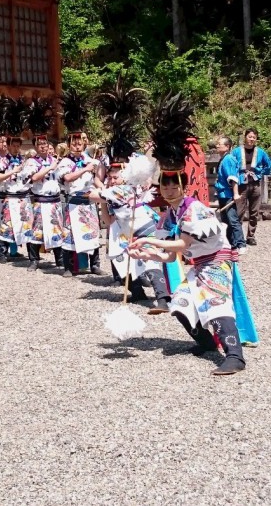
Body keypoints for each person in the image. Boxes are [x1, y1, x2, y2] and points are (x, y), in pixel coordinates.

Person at [129, 170, 246, 376]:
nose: (170, 191)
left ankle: (235, 356)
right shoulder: (168, 217)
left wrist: (147, 240)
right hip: (199, 264)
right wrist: (144, 255)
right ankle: (207, 343)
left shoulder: (194, 208)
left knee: (216, 305)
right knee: (179, 303)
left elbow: (183, 244)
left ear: (184, 188)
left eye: (175, 186)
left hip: (217, 260)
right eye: (165, 187)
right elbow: (170, 257)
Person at [90, 161, 171, 309]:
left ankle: (162, 299)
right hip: (129, 232)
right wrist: (103, 202)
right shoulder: (117, 192)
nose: (112, 181)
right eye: (110, 178)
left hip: (144, 230)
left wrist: (101, 190)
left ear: (125, 178)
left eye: (115, 177)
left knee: (151, 261)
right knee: (120, 258)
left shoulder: (122, 190)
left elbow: (92, 195)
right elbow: (108, 221)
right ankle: (137, 292)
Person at [56, 133, 104, 277]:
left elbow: (94, 180)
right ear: (69, 145)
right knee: (70, 235)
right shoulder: (65, 162)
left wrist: (104, 189)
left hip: (88, 201)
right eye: (74, 144)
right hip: (73, 203)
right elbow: (67, 178)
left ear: (84, 145)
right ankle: (69, 267)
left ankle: (95, 265)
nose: (77, 146)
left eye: (80, 143)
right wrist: (84, 169)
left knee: (92, 233)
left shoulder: (89, 160)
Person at [25, 135, 64, 271]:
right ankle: (34, 260)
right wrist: (50, 168)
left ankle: (59, 259)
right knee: (37, 230)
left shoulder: (54, 160)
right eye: (39, 144)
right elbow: (34, 178)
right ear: (35, 146)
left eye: (45, 144)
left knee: (57, 229)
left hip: (54, 200)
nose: (43, 146)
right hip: (40, 201)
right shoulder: (32, 162)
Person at [232, 128, 271, 245]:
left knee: (254, 212)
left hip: (255, 184)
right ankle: (238, 237)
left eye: (254, 137)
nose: (252, 139)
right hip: (241, 184)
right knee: (239, 212)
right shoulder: (236, 151)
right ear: (245, 137)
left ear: (256, 139)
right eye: (250, 137)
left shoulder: (260, 152)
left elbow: (268, 165)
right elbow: (231, 165)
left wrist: (259, 172)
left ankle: (250, 236)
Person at [215, 136, 246, 254]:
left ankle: (240, 243)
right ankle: (231, 244)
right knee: (225, 220)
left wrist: (236, 193)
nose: (217, 145)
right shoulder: (223, 159)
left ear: (227, 146)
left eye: (219, 144)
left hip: (228, 194)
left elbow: (233, 178)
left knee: (233, 219)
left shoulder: (229, 159)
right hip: (222, 194)